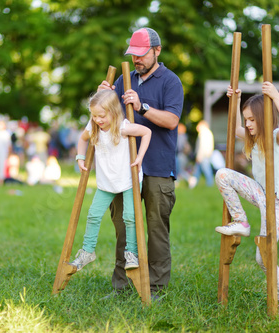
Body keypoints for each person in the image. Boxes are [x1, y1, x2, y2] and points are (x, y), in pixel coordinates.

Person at [97, 27, 184, 298]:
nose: (137, 60)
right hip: (124, 169)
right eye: (133, 55)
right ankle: (122, 286)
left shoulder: (171, 81)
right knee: (123, 229)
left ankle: (156, 288)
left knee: (156, 231)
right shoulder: (125, 79)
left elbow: (171, 121)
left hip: (157, 168)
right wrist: (105, 96)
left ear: (157, 51)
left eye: (142, 54)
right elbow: (109, 117)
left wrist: (142, 106)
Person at [214, 82, 279, 315]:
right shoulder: (253, 138)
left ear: (263, 117)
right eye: (247, 119)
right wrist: (236, 101)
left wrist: (276, 95)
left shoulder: (276, 137)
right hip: (262, 195)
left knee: (263, 257)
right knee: (222, 174)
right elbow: (235, 128)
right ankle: (241, 221)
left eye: (252, 119)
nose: (248, 124)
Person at [69, 90, 151, 272]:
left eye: (102, 116)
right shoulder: (94, 126)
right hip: (106, 182)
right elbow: (82, 139)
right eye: (94, 116)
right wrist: (80, 157)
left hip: (128, 179)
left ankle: (132, 253)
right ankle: (87, 251)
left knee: (130, 217)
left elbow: (146, 132)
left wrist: (140, 157)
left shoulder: (123, 127)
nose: (98, 119)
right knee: (93, 214)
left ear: (113, 111)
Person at [189, 120, 215, 188]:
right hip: (205, 155)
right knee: (197, 171)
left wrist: (199, 156)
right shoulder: (208, 133)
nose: (197, 127)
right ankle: (192, 185)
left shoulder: (204, 133)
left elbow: (202, 146)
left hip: (203, 156)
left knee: (206, 170)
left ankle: (210, 184)